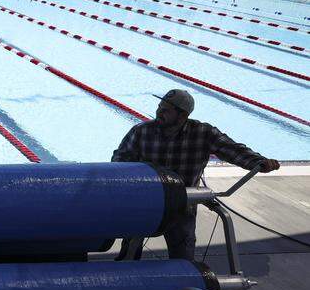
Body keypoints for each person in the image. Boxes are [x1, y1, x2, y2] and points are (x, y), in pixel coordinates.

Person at [112, 89, 279, 260]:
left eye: (166, 110)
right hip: (146, 203)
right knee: (129, 254)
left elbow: (233, 150)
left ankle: (183, 285)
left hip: (182, 206)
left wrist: (259, 162)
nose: (158, 112)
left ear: (182, 115)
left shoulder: (203, 133)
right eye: (159, 107)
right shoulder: (141, 131)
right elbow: (119, 162)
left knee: (183, 258)